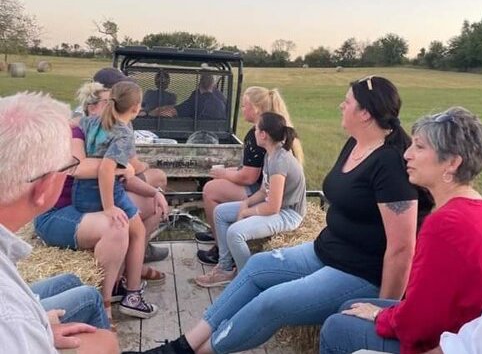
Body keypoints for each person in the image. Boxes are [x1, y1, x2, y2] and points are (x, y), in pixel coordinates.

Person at [124, 76, 431, 354]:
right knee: (257, 266)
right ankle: (184, 345)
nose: (341, 105)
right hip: (327, 250)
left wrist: (383, 311)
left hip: (359, 272)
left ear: (365, 113)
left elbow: (402, 248)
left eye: (347, 101)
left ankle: (201, 352)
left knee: (272, 303)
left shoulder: (389, 164)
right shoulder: (356, 143)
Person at [320, 107, 482, 354]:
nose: (407, 154)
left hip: (441, 341)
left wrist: (383, 317)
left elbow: (420, 323)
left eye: (419, 147)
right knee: (351, 306)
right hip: (459, 329)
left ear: (452, 163)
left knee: (336, 328)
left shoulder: (445, 225)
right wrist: (383, 313)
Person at [0, 92, 119, 354]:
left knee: (70, 281)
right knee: (103, 339)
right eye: (69, 166)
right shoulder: (11, 323)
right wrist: (39, 330)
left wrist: (42, 325)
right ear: (44, 186)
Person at [73, 81, 159, 319]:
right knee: (138, 231)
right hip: (103, 193)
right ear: (136, 107)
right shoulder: (123, 133)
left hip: (80, 192)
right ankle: (132, 296)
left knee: (134, 228)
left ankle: (122, 284)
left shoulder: (95, 121)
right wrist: (109, 206)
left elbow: (76, 123)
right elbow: (106, 170)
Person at [196, 86, 304, 267]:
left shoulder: (271, 150)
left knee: (211, 192)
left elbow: (250, 179)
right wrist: (244, 200)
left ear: (257, 109)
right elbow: (260, 183)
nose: (243, 110)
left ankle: (227, 254)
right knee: (220, 208)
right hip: (268, 194)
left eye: (245, 106)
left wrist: (247, 209)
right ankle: (223, 253)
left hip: (281, 205)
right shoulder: (272, 146)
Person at [94, 67, 168, 191]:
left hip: (88, 182)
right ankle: (154, 206)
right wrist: (146, 165)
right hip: (114, 181)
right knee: (159, 176)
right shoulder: (122, 125)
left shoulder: (85, 117)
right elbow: (133, 165)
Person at [32, 274, 110, 330]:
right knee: (91, 298)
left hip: (21, 299)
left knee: (71, 280)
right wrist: (43, 318)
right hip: (22, 319)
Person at [159, 73, 226, 120]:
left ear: (199, 85)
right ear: (213, 86)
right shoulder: (222, 101)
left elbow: (170, 112)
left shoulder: (194, 101)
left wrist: (153, 112)